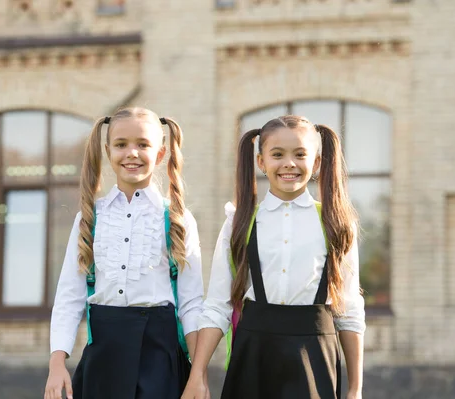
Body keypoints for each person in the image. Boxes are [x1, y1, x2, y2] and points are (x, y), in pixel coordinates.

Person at [183, 115, 365, 399]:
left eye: (300, 154)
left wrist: (355, 390)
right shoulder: (238, 223)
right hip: (253, 353)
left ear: (316, 163)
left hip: (315, 356)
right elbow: (218, 306)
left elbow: (349, 311)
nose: (289, 163)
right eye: (277, 154)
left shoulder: (336, 224)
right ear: (261, 162)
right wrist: (198, 376)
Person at [45, 107, 204, 399]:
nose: (132, 153)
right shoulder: (90, 219)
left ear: (159, 154)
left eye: (142, 144)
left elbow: (192, 304)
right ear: (108, 152)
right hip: (102, 359)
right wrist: (57, 364)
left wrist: (198, 376)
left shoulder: (178, 220)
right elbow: (69, 298)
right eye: (121, 145)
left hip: (161, 358)